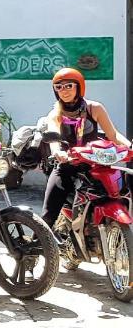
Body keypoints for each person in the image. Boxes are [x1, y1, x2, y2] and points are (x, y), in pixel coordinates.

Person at [41, 67, 129, 229]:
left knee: (120, 191)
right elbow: (53, 136)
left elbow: (113, 135)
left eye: (69, 86)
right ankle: (39, 243)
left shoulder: (94, 108)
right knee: (48, 214)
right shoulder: (55, 113)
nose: (64, 90)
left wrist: (129, 147)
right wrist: (58, 152)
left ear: (79, 87)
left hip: (95, 164)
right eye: (59, 87)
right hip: (67, 165)